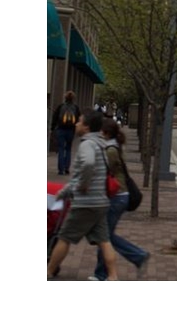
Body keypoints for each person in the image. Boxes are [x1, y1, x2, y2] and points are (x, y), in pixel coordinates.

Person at [47, 110, 119, 280]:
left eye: (79, 121)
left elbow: (87, 165)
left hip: (86, 202)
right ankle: (113, 276)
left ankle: (48, 271)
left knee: (64, 237)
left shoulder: (87, 144)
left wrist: (82, 186)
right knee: (104, 240)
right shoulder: (101, 143)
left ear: (86, 127)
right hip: (100, 201)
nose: (76, 123)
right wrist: (66, 191)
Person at [92, 118, 150, 281]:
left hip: (117, 196)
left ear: (106, 133)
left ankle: (103, 273)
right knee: (105, 235)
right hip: (119, 196)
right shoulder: (112, 146)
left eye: (100, 131)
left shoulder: (110, 150)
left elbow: (104, 172)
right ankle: (136, 257)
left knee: (104, 236)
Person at [51, 90, 81, 175]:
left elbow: (55, 117)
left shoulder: (61, 106)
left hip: (61, 129)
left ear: (65, 97)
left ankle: (60, 169)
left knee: (61, 149)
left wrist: (52, 128)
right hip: (71, 130)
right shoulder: (75, 107)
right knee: (68, 149)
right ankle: (67, 167)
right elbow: (79, 118)